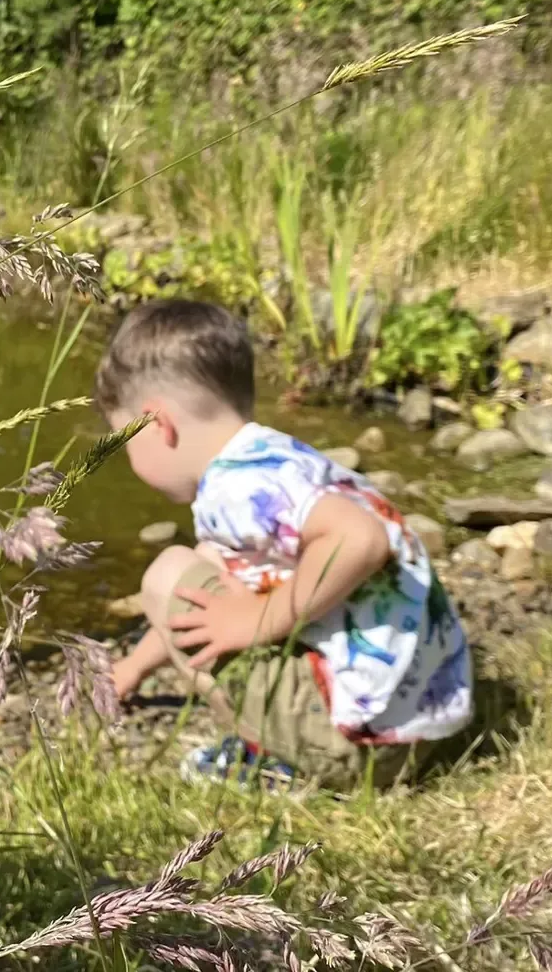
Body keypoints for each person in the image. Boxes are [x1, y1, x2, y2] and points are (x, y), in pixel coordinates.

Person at [96, 299, 472, 790]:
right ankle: (296, 740)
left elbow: (361, 539)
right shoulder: (275, 461)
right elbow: (208, 587)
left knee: (168, 574)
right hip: (426, 724)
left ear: (155, 423)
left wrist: (258, 619)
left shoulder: (235, 487)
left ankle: (271, 760)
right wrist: (135, 666)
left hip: (353, 749)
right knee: (196, 574)